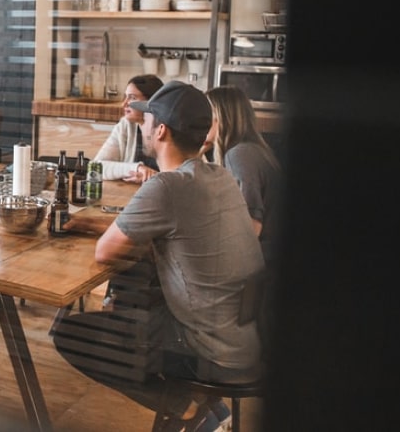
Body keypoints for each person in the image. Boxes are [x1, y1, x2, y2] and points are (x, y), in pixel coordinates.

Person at [59, 81, 265, 432]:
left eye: (147, 119)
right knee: (139, 294)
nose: (142, 125)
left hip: (208, 354)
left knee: (70, 333)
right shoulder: (219, 176)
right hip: (244, 340)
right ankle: (203, 411)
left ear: (162, 131)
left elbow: (106, 250)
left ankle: (184, 405)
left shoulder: (166, 186)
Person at [204, 85, 282, 267]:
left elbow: (251, 226)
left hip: (264, 262)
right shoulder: (251, 148)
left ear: (221, 117)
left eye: (205, 114)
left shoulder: (240, 155)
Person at [92, 74, 163, 183]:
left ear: (151, 102)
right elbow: (96, 167)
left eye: (132, 98)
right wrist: (137, 168)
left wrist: (151, 177)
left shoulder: (167, 129)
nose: (124, 104)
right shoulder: (125, 125)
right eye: (125, 97)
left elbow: (179, 176)